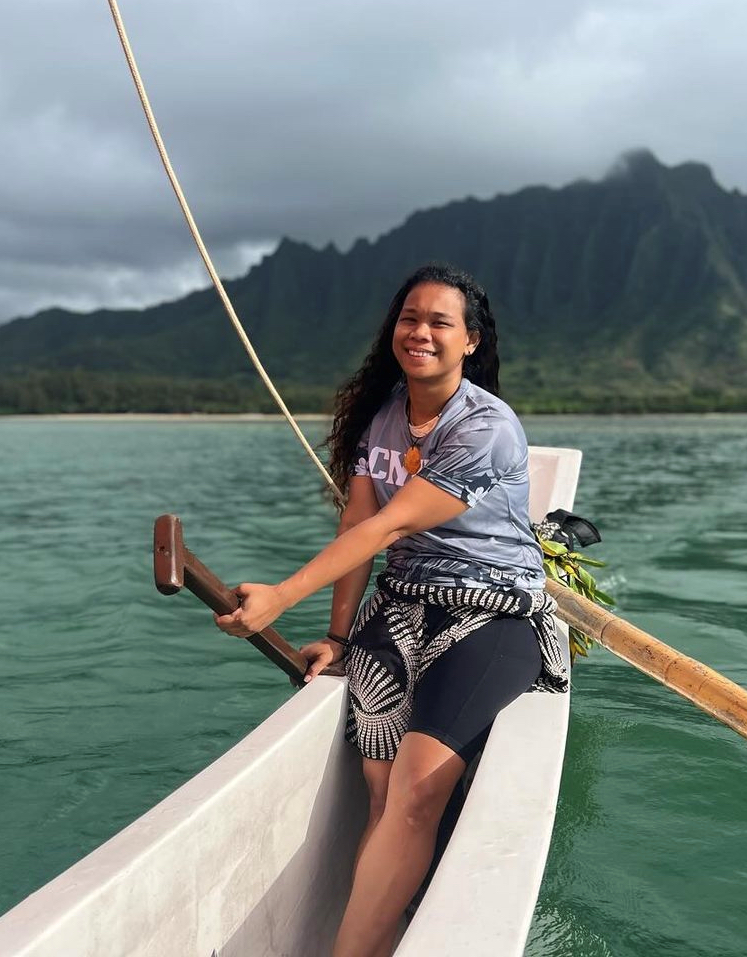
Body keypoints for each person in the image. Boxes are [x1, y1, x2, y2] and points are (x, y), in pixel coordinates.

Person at [214, 263, 567, 957]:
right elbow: (357, 524)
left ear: (470, 341)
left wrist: (280, 596)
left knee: (412, 790)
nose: (421, 332)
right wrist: (337, 635)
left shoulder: (487, 426)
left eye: (441, 322)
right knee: (381, 797)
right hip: (398, 613)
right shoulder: (381, 416)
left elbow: (388, 528)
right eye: (411, 318)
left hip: (488, 613)